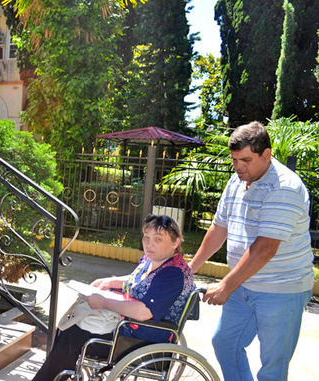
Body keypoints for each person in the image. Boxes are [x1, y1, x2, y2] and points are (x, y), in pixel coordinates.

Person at [189, 121, 314, 381]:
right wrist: (189, 269)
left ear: (266, 154)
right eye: (235, 160)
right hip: (243, 283)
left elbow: (265, 248)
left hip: (281, 289)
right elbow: (219, 228)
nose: (238, 166)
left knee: (272, 367)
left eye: (245, 159)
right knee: (226, 343)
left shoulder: (285, 187)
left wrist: (225, 285)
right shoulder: (237, 180)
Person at [33, 215, 194, 381]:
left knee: (72, 334)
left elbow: (143, 312)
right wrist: (110, 281)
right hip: (130, 327)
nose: (149, 244)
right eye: (146, 237)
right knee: (70, 322)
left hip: (140, 339)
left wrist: (104, 302)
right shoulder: (154, 259)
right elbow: (137, 279)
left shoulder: (173, 274)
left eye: (158, 239)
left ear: (176, 242)